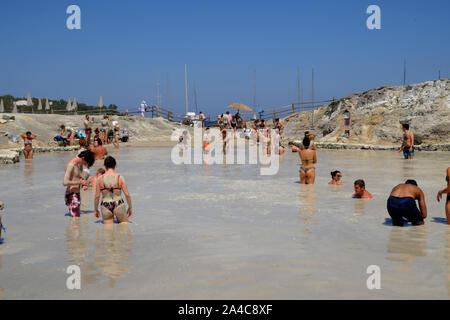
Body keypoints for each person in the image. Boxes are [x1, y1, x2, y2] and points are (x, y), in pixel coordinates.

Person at [94, 156, 132, 224]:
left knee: (108, 231)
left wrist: (96, 209)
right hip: (118, 203)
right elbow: (127, 195)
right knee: (124, 228)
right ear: (115, 165)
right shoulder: (120, 177)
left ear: (105, 166)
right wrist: (130, 207)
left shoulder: (100, 179)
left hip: (105, 205)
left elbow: (97, 196)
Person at [63, 150, 95, 217]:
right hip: (72, 195)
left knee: (75, 220)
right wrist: (79, 182)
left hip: (76, 194)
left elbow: (76, 178)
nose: (85, 165)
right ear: (83, 158)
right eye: (86, 163)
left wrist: (83, 183)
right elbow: (65, 182)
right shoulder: (71, 165)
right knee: (75, 221)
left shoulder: (77, 165)